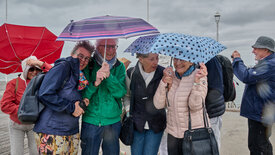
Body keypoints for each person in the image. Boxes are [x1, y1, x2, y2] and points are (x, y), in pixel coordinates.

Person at [33, 41, 94, 154]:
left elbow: (68, 95)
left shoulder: (79, 74)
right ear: (72, 53)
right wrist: (72, 108)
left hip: (71, 132)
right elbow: (45, 93)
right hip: (52, 131)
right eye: (80, 56)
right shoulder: (63, 67)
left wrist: (81, 103)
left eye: (87, 58)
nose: (83, 60)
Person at [81, 39, 127, 155]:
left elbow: (121, 92)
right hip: (91, 120)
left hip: (113, 122)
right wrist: (95, 83)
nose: (111, 50)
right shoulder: (88, 64)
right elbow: (82, 94)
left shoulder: (119, 66)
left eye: (114, 46)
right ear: (98, 47)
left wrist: (109, 77)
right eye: (107, 47)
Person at [153, 58, 208, 155]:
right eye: (175, 59)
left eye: (182, 59)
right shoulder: (171, 76)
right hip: (173, 134)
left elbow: (195, 106)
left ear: (191, 60)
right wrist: (163, 82)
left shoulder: (200, 75)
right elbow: (158, 104)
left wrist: (196, 83)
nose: (177, 63)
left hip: (193, 135)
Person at [231, 36, 275, 155]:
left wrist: (237, 60)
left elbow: (247, 76)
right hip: (260, 112)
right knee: (258, 144)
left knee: (259, 146)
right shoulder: (267, 63)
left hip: (260, 113)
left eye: (256, 48)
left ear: (266, 50)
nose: (253, 51)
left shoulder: (270, 64)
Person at [0, 56, 52, 155]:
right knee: (17, 152)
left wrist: (40, 63)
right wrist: (24, 111)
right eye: (31, 69)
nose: (35, 72)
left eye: (37, 69)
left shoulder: (41, 83)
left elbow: (55, 74)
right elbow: (5, 105)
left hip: (35, 124)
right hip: (17, 124)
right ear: (25, 69)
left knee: (36, 152)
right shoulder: (13, 83)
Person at [123, 53, 166, 155]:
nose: (156, 62)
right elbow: (127, 96)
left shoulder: (162, 73)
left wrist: (169, 83)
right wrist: (128, 112)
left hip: (156, 124)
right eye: (151, 59)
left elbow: (168, 99)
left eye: (157, 58)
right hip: (137, 124)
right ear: (141, 59)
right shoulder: (131, 73)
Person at [205, 56, 225, 150]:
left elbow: (216, 88)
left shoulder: (211, 60)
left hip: (212, 111)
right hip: (207, 109)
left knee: (213, 143)